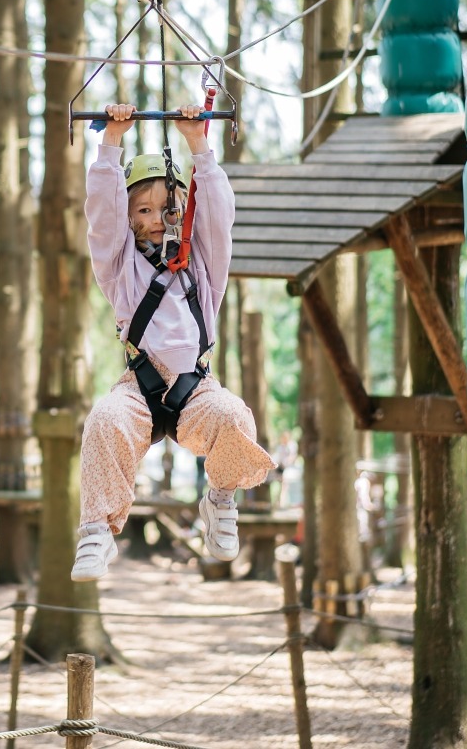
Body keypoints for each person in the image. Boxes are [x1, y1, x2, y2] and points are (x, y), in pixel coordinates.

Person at [72, 104, 276, 582]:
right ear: (129, 217)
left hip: (195, 389)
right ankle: (97, 529)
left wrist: (198, 145)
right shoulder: (120, 266)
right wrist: (111, 144)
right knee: (103, 422)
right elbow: (102, 218)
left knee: (234, 416)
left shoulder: (204, 267)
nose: (156, 219)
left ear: (184, 210)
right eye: (142, 211)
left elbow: (219, 216)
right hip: (138, 388)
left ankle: (221, 499)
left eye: (167, 209)